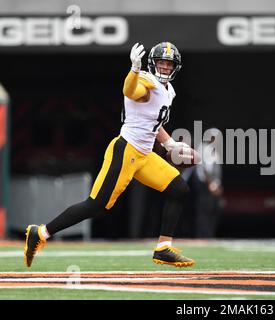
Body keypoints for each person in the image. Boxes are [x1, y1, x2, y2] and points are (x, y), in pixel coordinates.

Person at [24, 42, 196, 268]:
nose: (164, 67)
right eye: (161, 63)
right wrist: (133, 70)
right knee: (96, 205)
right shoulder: (145, 80)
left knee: (178, 188)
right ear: (152, 64)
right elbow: (130, 90)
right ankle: (41, 232)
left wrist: (170, 143)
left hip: (145, 155)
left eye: (169, 64)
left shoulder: (169, 90)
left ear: (176, 67)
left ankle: (163, 248)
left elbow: (153, 123)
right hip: (126, 150)